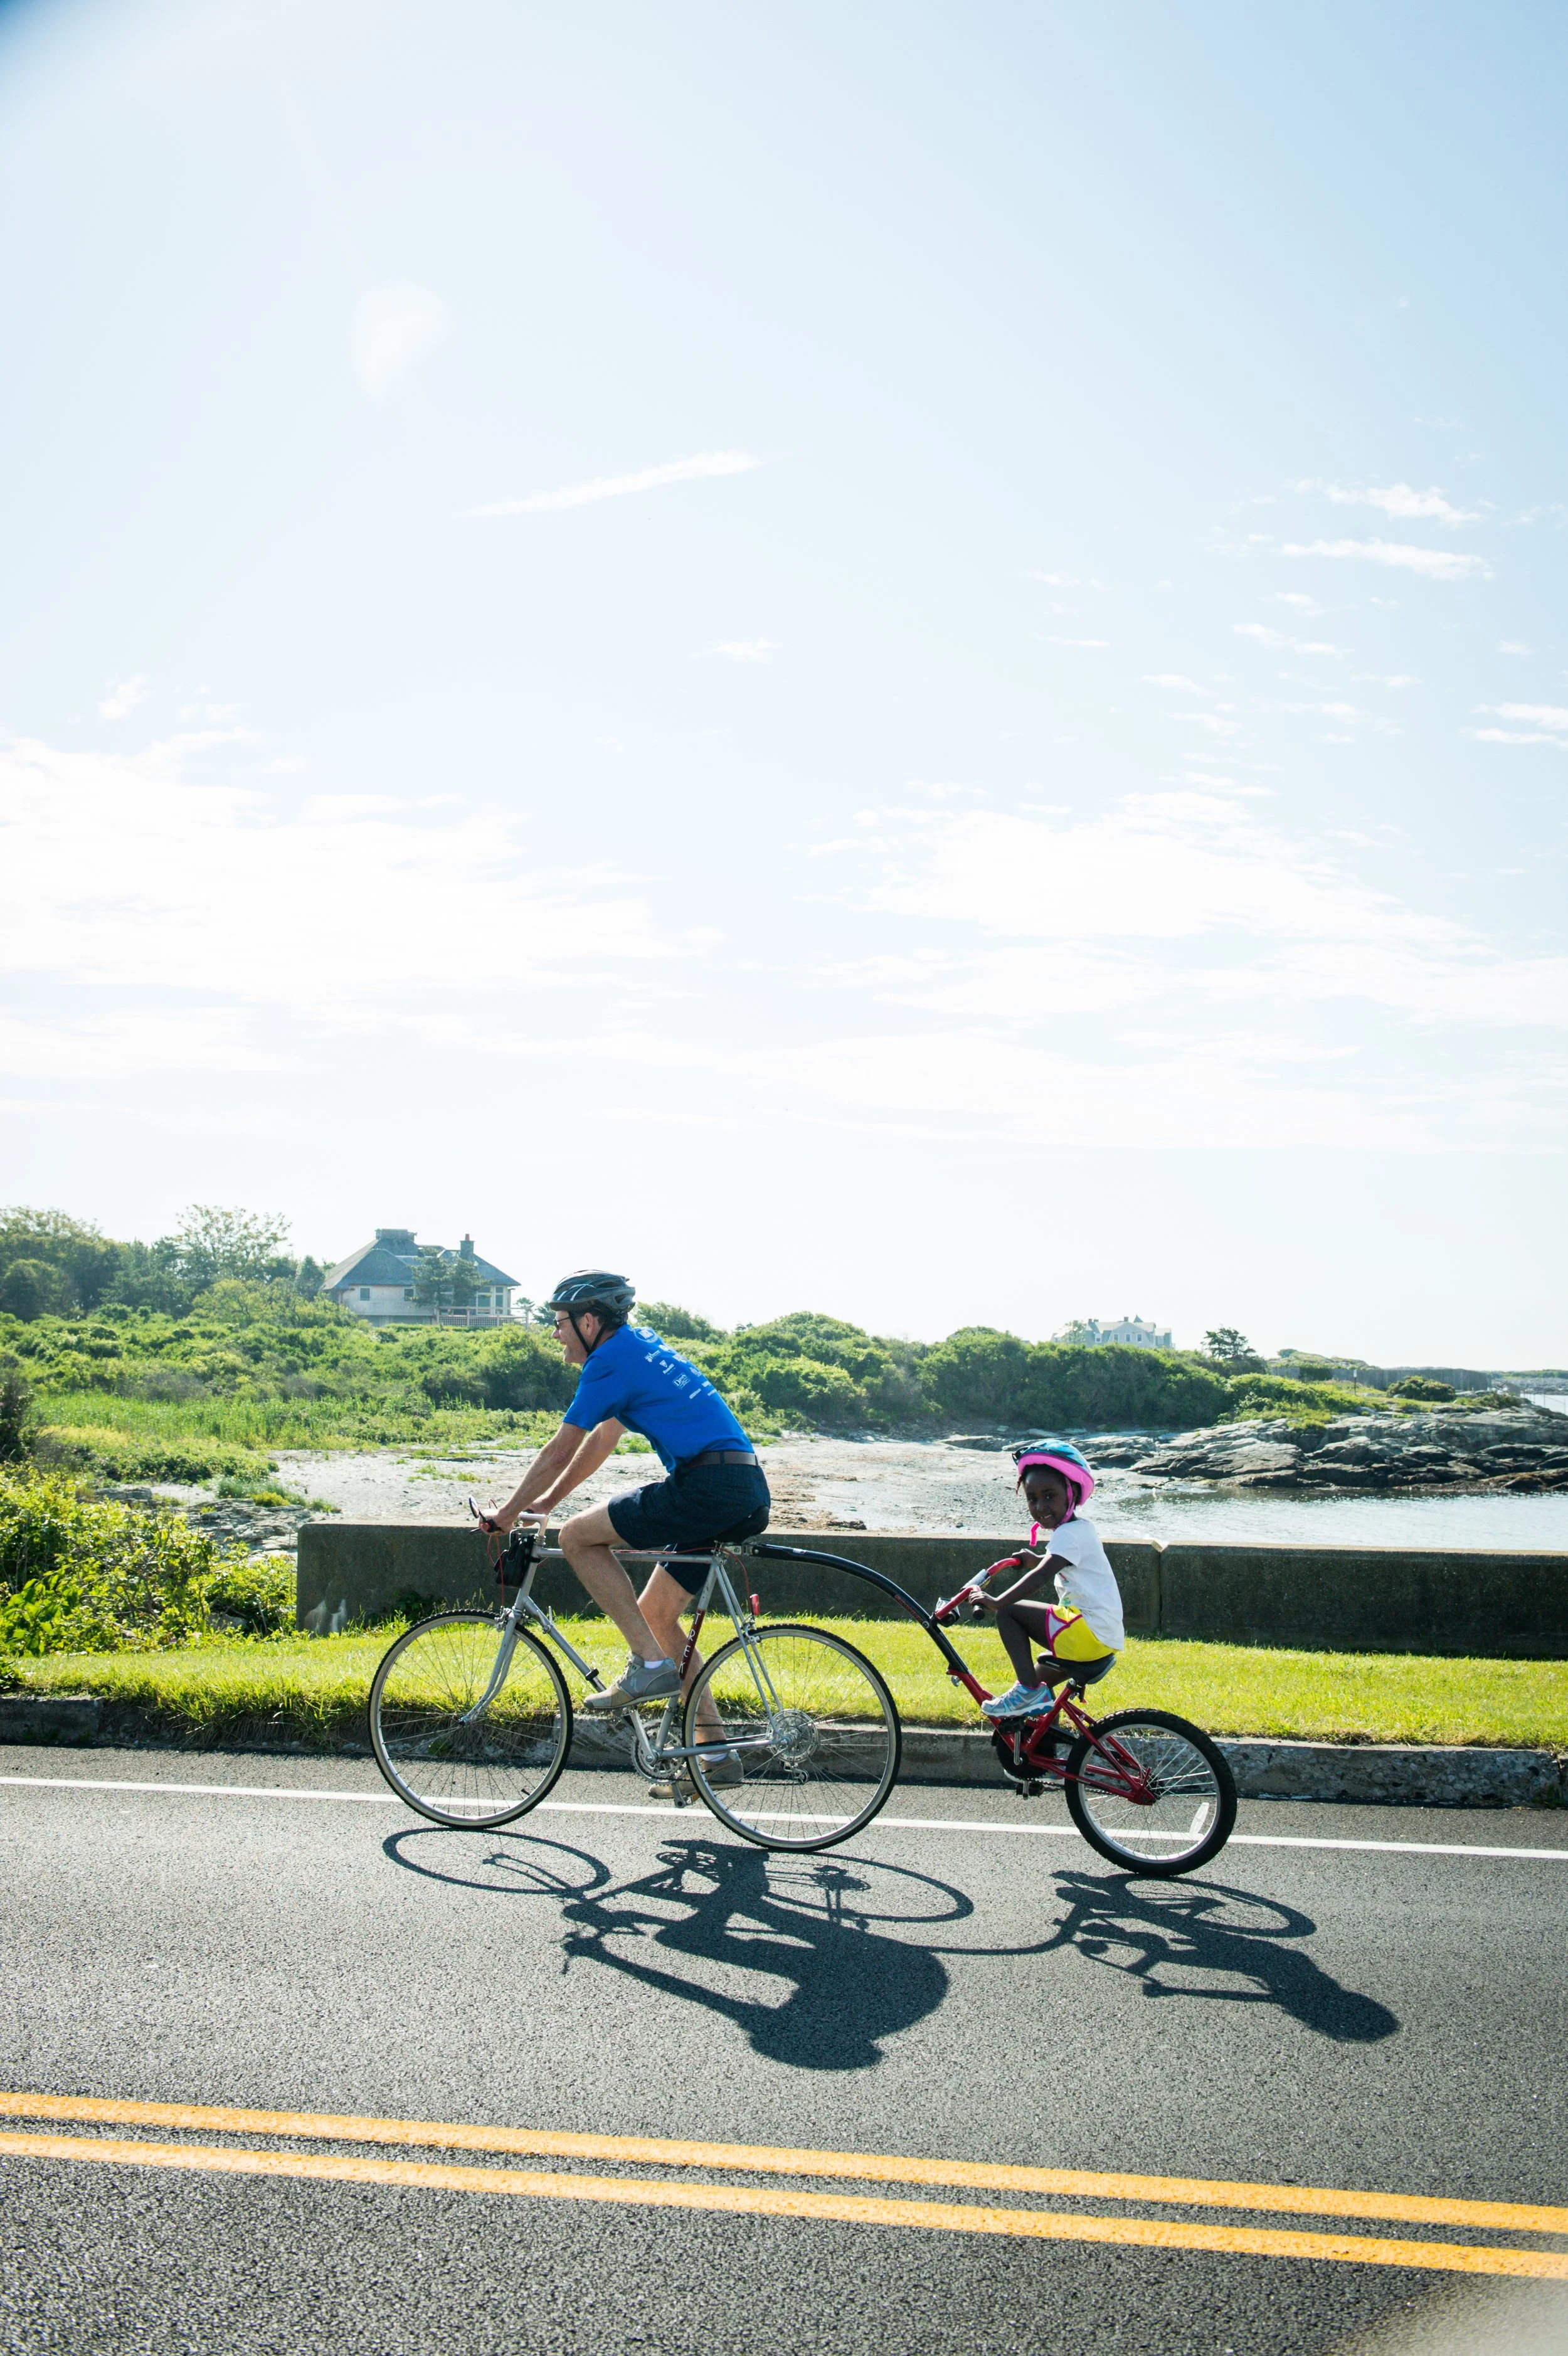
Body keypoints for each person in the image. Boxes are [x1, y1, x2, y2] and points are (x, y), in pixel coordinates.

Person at [480, 1271, 770, 1783]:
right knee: (657, 1616)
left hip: (707, 1486)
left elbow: (559, 1448)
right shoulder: (636, 1347)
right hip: (738, 1486)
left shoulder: (609, 1362)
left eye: (560, 1323)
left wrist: (505, 1514)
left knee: (576, 1538)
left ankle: (649, 1666)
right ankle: (718, 1755)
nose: (556, 1335)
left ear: (589, 1321)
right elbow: (603, 1438)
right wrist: (545, 1501)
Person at [977, 1441, 1125, 1717]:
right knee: (1039, 1700)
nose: (1040, 1506)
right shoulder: (1080, 1530)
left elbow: (1042, 1575)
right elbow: (1059, 1565)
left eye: (1049, 1496)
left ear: (1072, 1493)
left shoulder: (1067, 1535)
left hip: (1088, 1631)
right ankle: (1039, 1729)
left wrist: (997, 1602)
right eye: (1032, 1499)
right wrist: (1036, 1560)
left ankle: (1029, 1693)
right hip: (1102, 1634)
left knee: (1009, 1613)